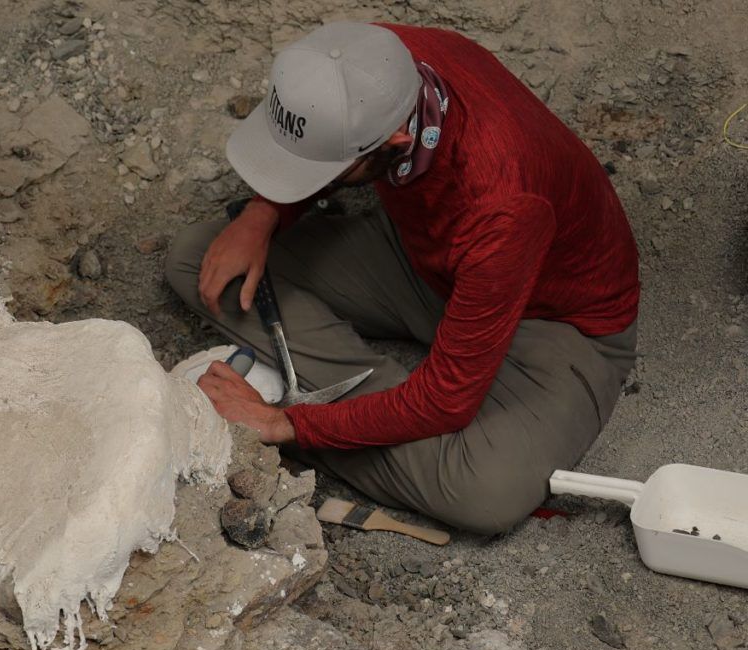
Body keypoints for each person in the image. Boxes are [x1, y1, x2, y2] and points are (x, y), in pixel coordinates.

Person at [165, 21, 639, 534]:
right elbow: (320, 141)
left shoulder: (504, 202)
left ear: (394, 142)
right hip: (426, 260)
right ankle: (360, 410)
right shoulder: (372, 61)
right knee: (197, 258)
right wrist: (264, 214)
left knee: (484, 495)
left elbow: (445, 402)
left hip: (551, 321)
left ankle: (306, 402)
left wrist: (283, 423)